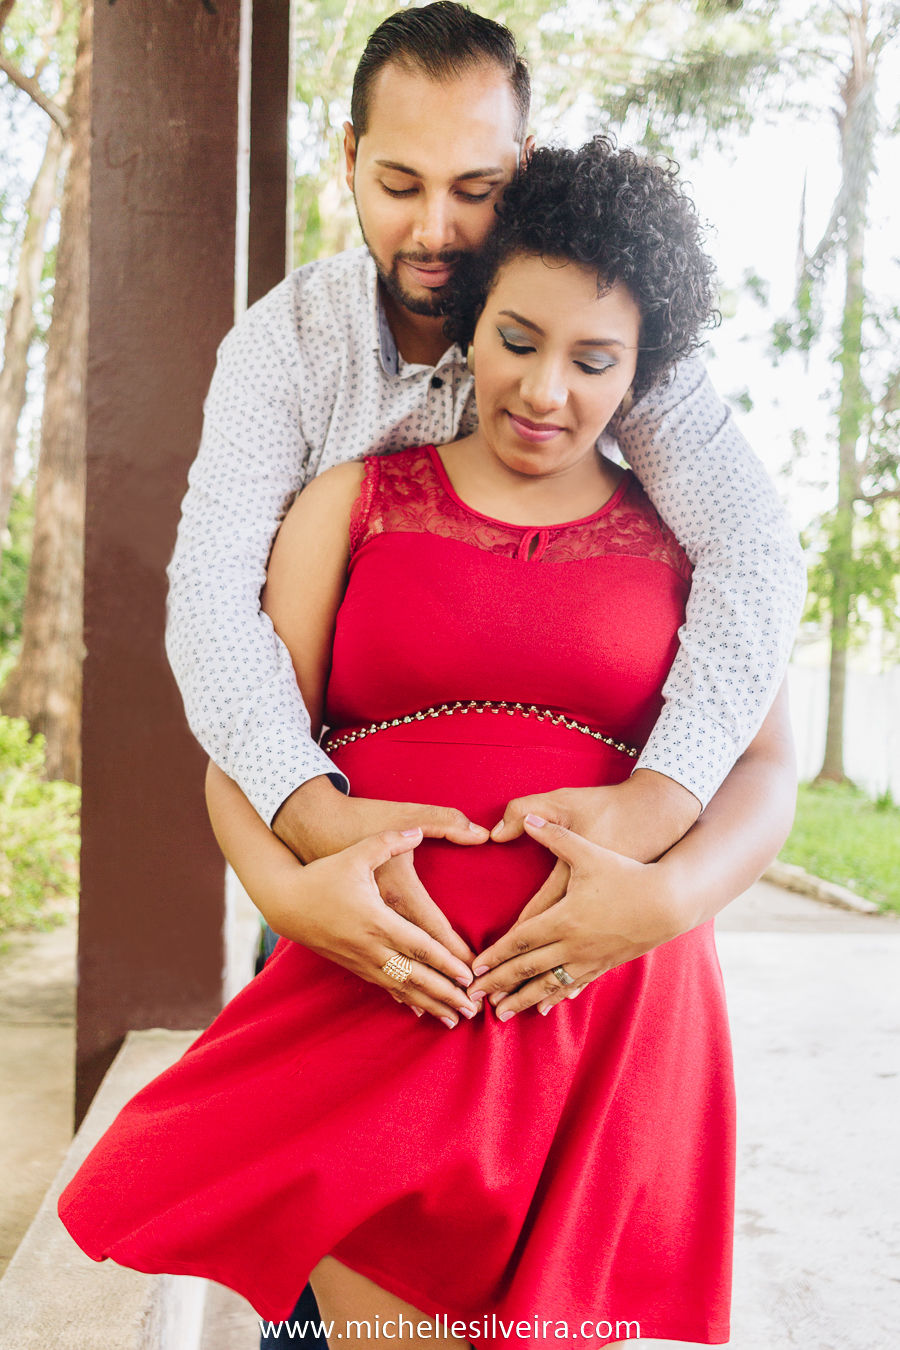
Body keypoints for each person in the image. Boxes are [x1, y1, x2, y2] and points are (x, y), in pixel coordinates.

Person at [59, 137, 798, 1348]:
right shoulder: (350, 501)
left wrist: (668, 901)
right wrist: (287, 892)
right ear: (473, 322)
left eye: (594, 361)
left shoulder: (695, 550)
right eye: (518, 340)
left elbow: (763, 772)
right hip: (376, 1008)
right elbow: (245, 747)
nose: (546, 391)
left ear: (642, 374)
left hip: (605, 1025)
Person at [165, 2, 805, 926]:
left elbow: (752, 550)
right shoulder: (285, 347)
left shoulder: (604, 326)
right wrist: (304, 833)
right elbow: (212, 601)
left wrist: (662, 803)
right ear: (349, 158)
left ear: (525, 167)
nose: (435, 232)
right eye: (399, 184)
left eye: (476, 188)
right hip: (349, 881)